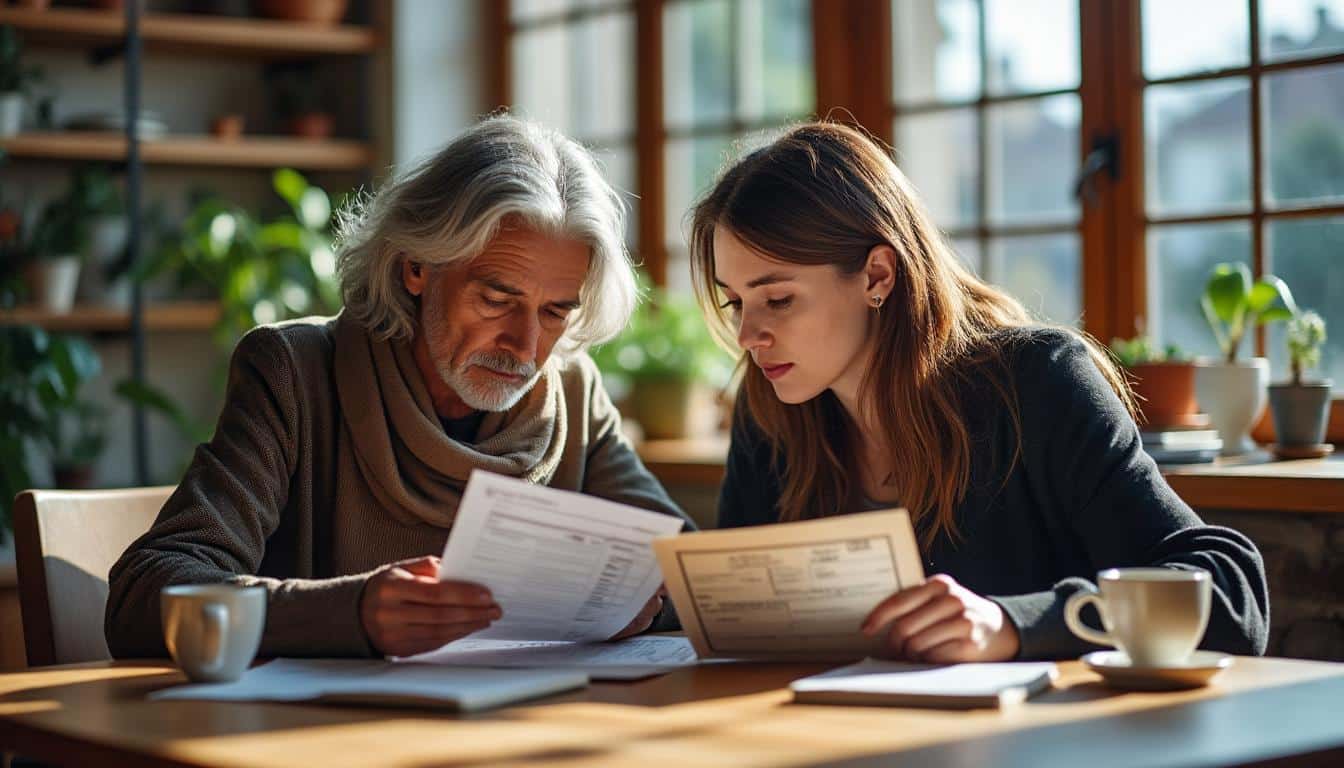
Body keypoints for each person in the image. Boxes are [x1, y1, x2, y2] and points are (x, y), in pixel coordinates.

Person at [106, 115, 690, 659]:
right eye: (495, 298)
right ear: (415, 265)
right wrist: (348, 611)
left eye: (555, 312)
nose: (525, 344)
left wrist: (637, 607)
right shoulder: (294, 374)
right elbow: (146, 593)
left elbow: (688, 578)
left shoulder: (569, 393)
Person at [691, 121, 1268, 662]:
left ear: (877, 276)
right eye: (736, 302)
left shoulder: (1036, 383)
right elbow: (743, 622)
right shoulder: (770, 408)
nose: (747, 336)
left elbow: (1229, 591)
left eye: (779, 299)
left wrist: (1013, 625)